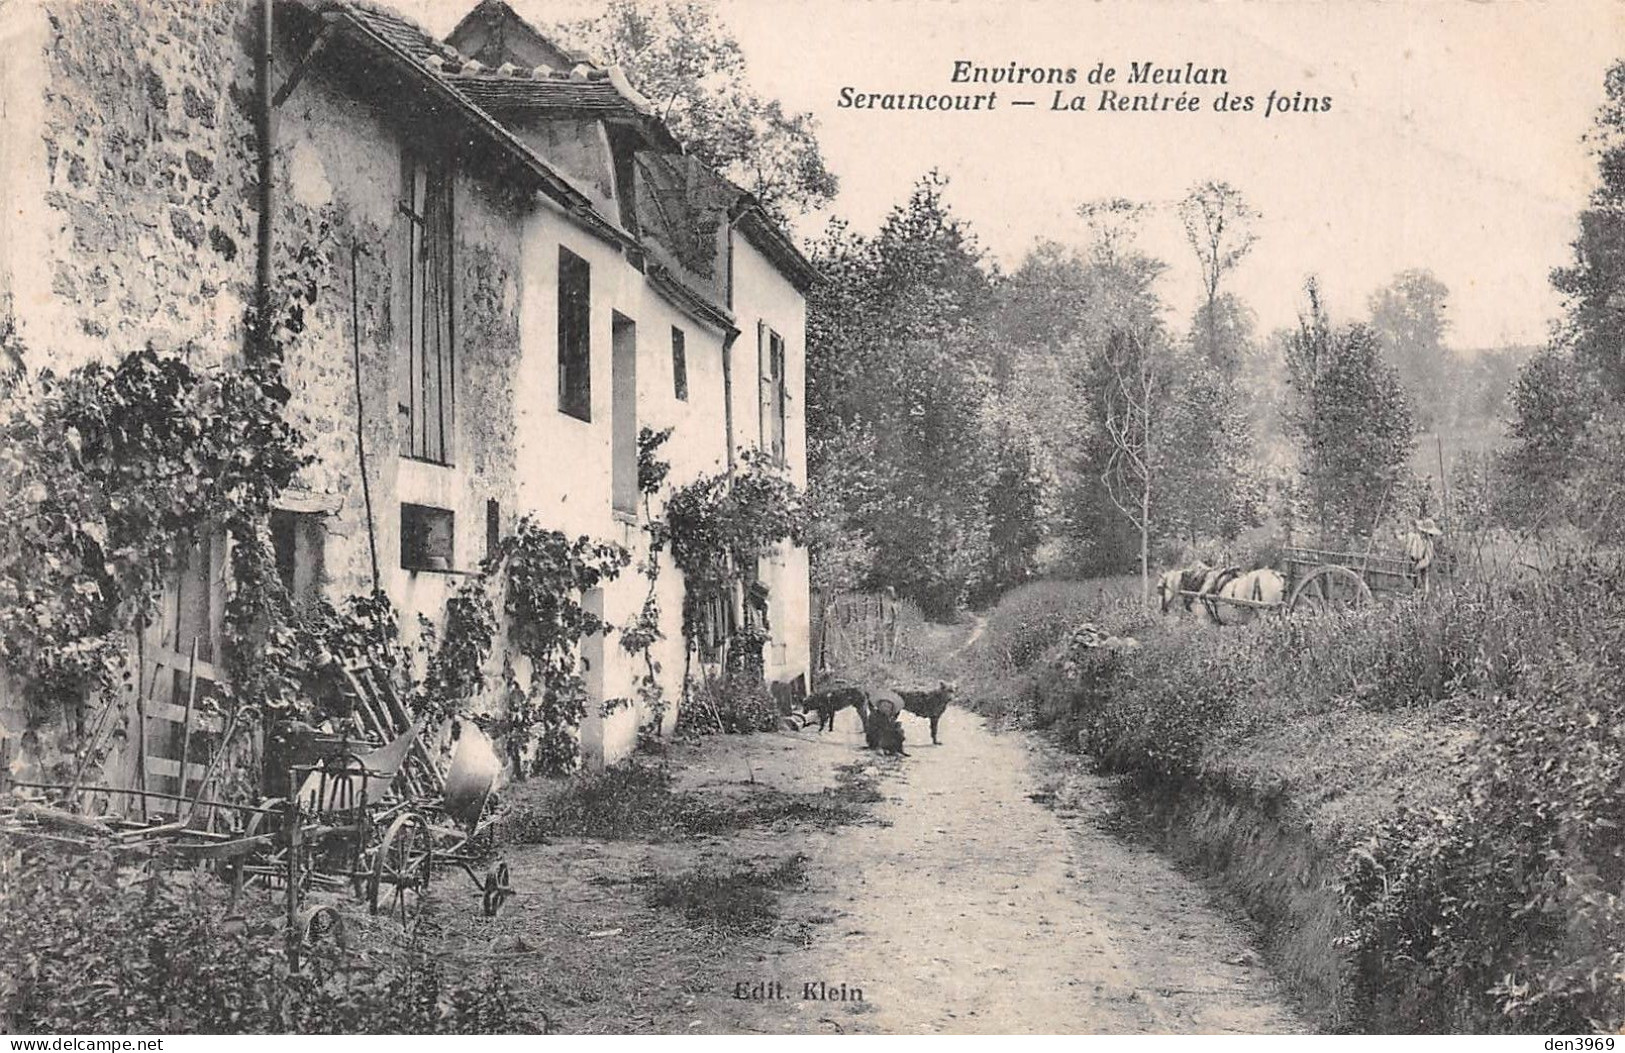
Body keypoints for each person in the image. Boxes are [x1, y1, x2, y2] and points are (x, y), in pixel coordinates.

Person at [1402, 517, 1442, 596]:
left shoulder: (1429, 543)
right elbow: (1406, 548)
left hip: (1422, 565)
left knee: (1423, 590)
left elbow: (1427, 560)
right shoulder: (1413, 537)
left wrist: (1417, 567)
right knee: (1407, 584)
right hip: (1410, 561)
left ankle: (1420, 600)